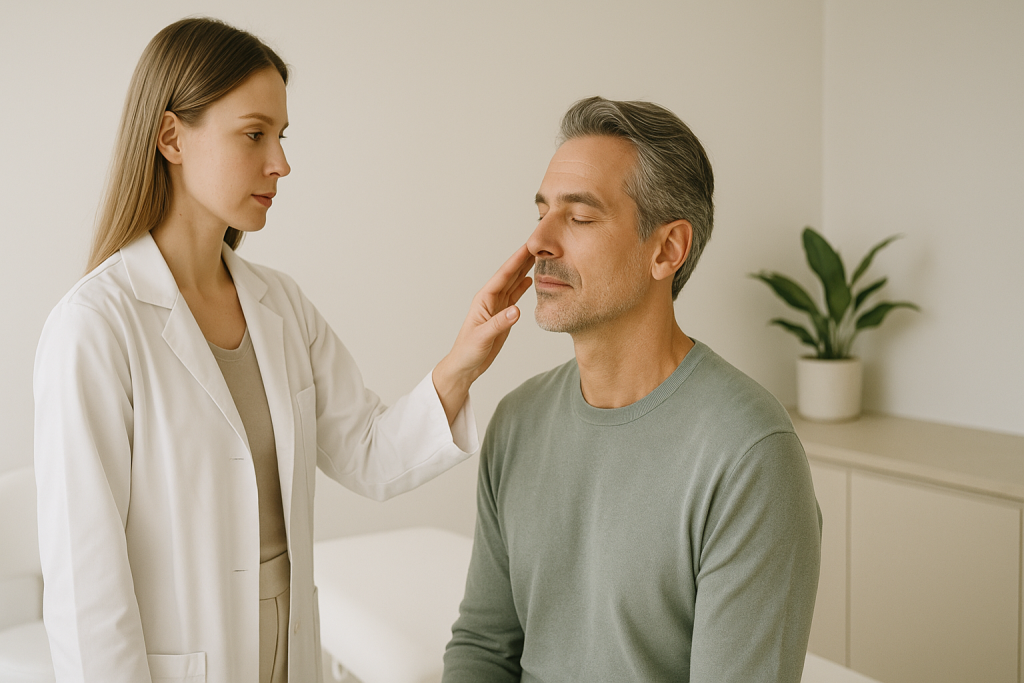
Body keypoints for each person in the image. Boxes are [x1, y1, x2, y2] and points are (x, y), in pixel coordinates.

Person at [33, 17, 533, 683]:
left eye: (280, 135)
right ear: (171, 137)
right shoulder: (96, 326)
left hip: (290, 647)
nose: (281, 162)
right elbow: (85, 583)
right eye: (254, 134)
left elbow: (368, 454)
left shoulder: (280, 305)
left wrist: (462, 360)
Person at [443, 97, 821, 682]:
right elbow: (483, 649)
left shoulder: (750, 454)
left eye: (580, 216)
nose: (538, 241)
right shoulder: (517, 421)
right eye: (541, 211)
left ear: (666, 249)